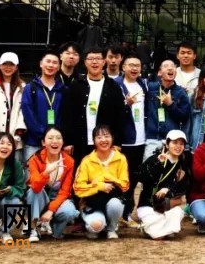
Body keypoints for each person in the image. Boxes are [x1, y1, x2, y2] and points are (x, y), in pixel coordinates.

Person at [61, 47, 128, 166]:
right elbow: (67, 115)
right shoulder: (76, 85)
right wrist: (68, 141)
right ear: (85, 62)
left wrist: (117, 142)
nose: (94, 62)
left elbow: (120, 116)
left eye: (98, 58)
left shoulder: (113, 87)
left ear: (104, 62)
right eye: (91, 59)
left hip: (105, 143)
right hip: (80, 142)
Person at [74, 124, 130, 240]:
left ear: (112, 138)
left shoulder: (121, 158)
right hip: (92, 203)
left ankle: (111, 228)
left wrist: (110, 178)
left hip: (112, 200)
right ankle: (97, 225)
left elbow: (125, 185)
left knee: (116, 204)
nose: (103, 140)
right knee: (96, 227)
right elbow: (78, 188)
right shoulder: (87, 161)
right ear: (94, 141)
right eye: (99, 137)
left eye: (106, 136)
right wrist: (99, 186)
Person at [25, 127, 78, 242]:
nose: (55, 141)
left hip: (57, 197)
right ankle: (33, 227)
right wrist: (46, 172)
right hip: (39, 197)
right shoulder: (35, 159)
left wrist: (51, 210)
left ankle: (55, 229)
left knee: (70, 212)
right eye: (50, 138)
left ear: (63, 142)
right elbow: (35, 187)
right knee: (33, 191)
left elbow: (65, 191)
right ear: (43, 142)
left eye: (58, 138)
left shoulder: (69, 161)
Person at [137, 129, 191, 239]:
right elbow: (140, 176)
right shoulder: (155, 159)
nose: (178, 146)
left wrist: (168, 190)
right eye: (174, 143)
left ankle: (155, 228)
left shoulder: (182, 166)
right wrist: (158, 164)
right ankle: (155, 227)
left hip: (166, 206)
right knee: (158, 236)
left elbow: (182, 189)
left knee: (178, 212)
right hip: (148, 204)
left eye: (181, 144)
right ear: (167, 144)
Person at [116, 55, 150, 220]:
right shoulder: (116, 85)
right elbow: (111, 111)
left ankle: (127, 212)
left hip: (141, 140)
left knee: (135, 177)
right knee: (122, 177)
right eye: (131, 65)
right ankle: (118, 211)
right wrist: (125, 104)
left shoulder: (144, 85)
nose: (134, 68)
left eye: (137, 65)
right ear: (123, 67)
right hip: (124, 141)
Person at [21, 52, 66, 164]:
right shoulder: (30, 88)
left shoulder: (63, 90)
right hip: (34, 142)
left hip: (56, 143)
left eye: (54, 63)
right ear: (41, 64)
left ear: (59, 66)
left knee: (54, 174)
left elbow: (65, 115)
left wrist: (54, 137)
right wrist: (44, 135)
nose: (51, 65)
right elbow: (28, 114)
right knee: (32, 173)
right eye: (48, 61)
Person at [0, 52, 27, 161]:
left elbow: (23, 112)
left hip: (15, 141)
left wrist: (17, 136)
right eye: (5, 64)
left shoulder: (23, 86)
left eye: (11, 64)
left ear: (16, 67)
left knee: (14, 169)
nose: (8, 67)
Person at [144, 59, 192, 156]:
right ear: (159, 72)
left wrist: (170, 104)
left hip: (172, 140)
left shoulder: (181, 92)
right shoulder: (150, 88)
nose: (170, 68)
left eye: (173, 66)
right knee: (149, 165)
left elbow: (184, 117)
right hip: (152, 138)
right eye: (166, 66)